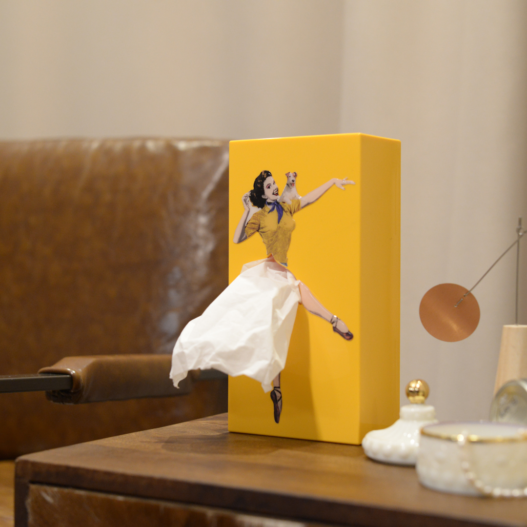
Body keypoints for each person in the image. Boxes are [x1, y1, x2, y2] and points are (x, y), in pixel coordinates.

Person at [171, 170, 354, 424]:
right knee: (278, 317)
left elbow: (309, 199)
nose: (275, 187)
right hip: (269, 272)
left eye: (274, 184)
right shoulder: (259, 217)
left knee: (279, 320)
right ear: (262, 193)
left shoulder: (286, 208)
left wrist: (331, 182)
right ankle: (333, 323)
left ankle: (280, 385)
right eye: (269, 186)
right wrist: (247, 210)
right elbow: (238, 238)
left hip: (282, 271)